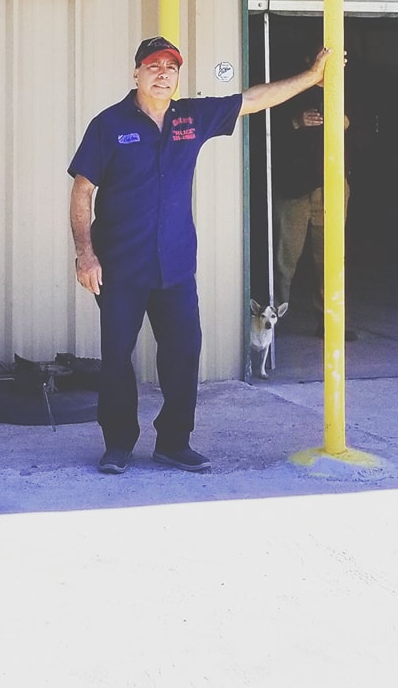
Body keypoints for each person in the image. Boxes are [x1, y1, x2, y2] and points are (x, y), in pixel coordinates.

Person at [68, 35, 331, 475]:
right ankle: (118, 445)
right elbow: (82, 190)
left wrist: (312, 77)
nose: (163, 73)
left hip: (174, 266)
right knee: (117, 355)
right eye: (153, 66)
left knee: (185, 350)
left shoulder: (190, 117)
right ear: (136, 73)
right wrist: (85, 254)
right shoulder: (108, 124)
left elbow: (252, 99)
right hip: (119, 266)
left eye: (171, 67)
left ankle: (173, 442)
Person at [270, 70, 350, 337]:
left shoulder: (342, 87)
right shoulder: (288, 86)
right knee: (284, 260)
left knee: (330, 258)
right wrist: (296, 121)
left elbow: (361, 125)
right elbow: (264, 125)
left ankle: (331, 322)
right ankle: (272, 321)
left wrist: (340, 120)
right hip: (292, 187)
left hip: (329, 185)